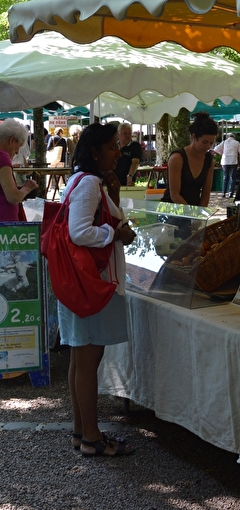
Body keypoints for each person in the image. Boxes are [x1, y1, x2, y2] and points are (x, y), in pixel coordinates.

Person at [60, 122, 136, 456]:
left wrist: (115, 198)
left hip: (82, 283)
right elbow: (79, 231)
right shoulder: (90, 182)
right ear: (95, 152)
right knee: (88, 361)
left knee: (81, 360)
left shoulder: (83, 180)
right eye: (112, 147)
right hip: (93, 283)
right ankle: (92, 438)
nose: (118, 152)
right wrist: (115, 234)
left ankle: (81, 432)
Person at [162, 112, 218, 206]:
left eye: (211, 143)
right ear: (193, 137)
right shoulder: (177, 158)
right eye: (204, 142)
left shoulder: (209, 161)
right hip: (172, 208)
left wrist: (200, 212)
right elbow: (174, 195)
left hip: (195, 209)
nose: (208, 147)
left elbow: (206, 194)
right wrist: (191, 213)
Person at [0, 120, 38, 221]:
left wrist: (17, 188)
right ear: (12, 140)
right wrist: (27, 187)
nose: (17, 152)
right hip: (5, 222)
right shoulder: (2, 157)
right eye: (19, 146)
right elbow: (13, 198)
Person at [213, 133, 240, 199]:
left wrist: (222, 153)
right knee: (232, 178)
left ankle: (223, 193)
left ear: (228, 137)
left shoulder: (224, 142)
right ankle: (230, 193)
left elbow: (215, 149)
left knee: (225, 177)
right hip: (233, 161)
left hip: (225, 161)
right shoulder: (237, 143)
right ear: (234, 137)